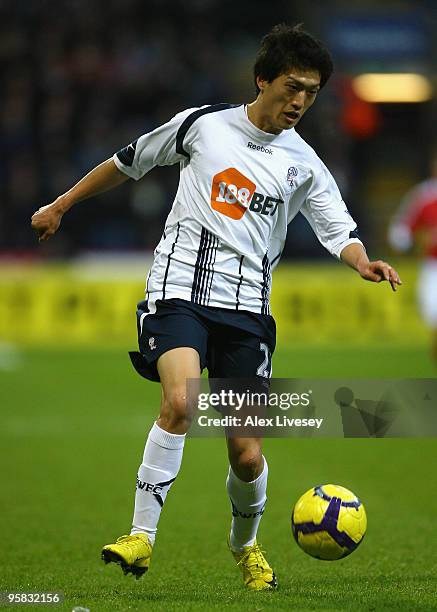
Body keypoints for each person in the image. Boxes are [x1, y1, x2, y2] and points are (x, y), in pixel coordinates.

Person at [31, 24, 401, 591]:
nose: (300, 101)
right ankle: (140, 536)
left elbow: (337, 228)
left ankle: (245, 546)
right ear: (262, 79)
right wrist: (62, 204)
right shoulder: (201, 126)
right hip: (178, 292)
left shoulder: (303, 163)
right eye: (292, 86)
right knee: (181, 401)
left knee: (247, 455)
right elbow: (127, 161)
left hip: (247, 313)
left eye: (312, 91)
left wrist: (363, 261)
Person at [388, 152, 437, 361]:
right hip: (433, 267)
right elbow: (399, 234)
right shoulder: (424, 196)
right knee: (433, 319)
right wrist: (416, 242)